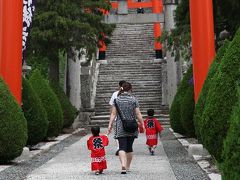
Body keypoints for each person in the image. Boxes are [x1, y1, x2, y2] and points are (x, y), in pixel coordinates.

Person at [108, 82, 144, 174]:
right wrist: (142, 124)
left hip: (120, 126)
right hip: (132, 126)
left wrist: (110, 125)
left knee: (122, 147)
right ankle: (127, 166)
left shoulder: (117, 100)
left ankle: (123, 165)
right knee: (129, 148)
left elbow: (113, 114)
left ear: (121, 89)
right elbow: (138, 113)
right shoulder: (133, 100)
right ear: (130, 89)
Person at [109, 80, 126, 156]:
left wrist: (111, 120)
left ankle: (119, 147)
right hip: (127, 118)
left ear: (119, 86)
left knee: (117, 133)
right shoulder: (129, 94)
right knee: (126, 133)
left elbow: (112, 107)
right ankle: (124, 147)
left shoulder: (115, 94)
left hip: (117, 118)